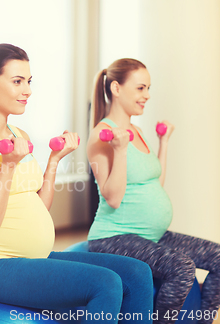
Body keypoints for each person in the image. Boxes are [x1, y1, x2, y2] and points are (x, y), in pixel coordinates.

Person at [0, 43, 153, 323]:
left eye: (29, 81)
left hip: (35, 256)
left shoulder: (17, 133)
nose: (28, 91)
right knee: (105, 283)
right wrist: (8, 166)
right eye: (17, 81)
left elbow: (39, 207)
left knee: (137, 274)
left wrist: (55, 160)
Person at [86, 58, 220, 324]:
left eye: (148, 88)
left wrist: (164, 143)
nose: (147, 95)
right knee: (182, 268)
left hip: (151, 235)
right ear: (116, 88)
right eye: (140, 88)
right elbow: (112, 197)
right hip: (114, 237)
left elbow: (153, 183)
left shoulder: (135, 129)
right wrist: (120, 151)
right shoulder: (102, 135)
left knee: (218, 257)